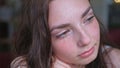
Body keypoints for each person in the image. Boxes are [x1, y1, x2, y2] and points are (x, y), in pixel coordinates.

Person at [11, 0, 120, 68]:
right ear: (42, 41)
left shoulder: (112, 59)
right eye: (64, 33)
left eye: (89, 18)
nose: (86, 39)